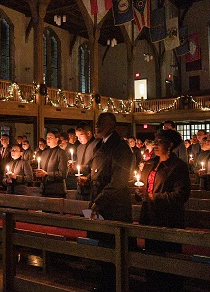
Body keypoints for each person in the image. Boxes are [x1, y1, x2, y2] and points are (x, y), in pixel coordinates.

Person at [136, 129, 191, 292]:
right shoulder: (151, 163)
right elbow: (146, 188)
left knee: (169, 259)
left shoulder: (178, 166)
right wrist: (140, 192)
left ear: (170, 144)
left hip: (168, 219)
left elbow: (181, 195)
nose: (156, 145)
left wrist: (153, 197)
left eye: (160, 141)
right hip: (150, 216)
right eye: (155, 141)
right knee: (151, 257)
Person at [86, 112, 134, 292]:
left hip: (113, 206)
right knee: (101, 248)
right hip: (98, 201)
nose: (97, 125)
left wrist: (99, 201)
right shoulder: (99, 144)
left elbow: (118, 181)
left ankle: (115, 286)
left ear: (112, 124)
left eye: (101, 123)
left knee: (113, 249)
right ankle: (104, 283)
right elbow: (96, 170)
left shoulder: (120, 147)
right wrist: (86, 177)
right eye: (97, 122)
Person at [35, 131, 68, 198]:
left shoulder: (61, 153)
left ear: (57, 139)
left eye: (51, 137)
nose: (48, 139)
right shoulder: (44, 152)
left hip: (56, 190)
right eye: (47, 138)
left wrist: (47, 173)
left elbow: (63, 173)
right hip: (45, 189)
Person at [74, 121, 98, 201]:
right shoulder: (79, 147)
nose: (78, 139)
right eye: (77, 136)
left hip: (92, 185)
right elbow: (78, 164)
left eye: (81, 135)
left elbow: (97, 167)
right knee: (81, 210)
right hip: (80, 187)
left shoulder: (97, 145)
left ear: (88, 133)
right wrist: (72, 168)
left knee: (90, 212)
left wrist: (87, 178)